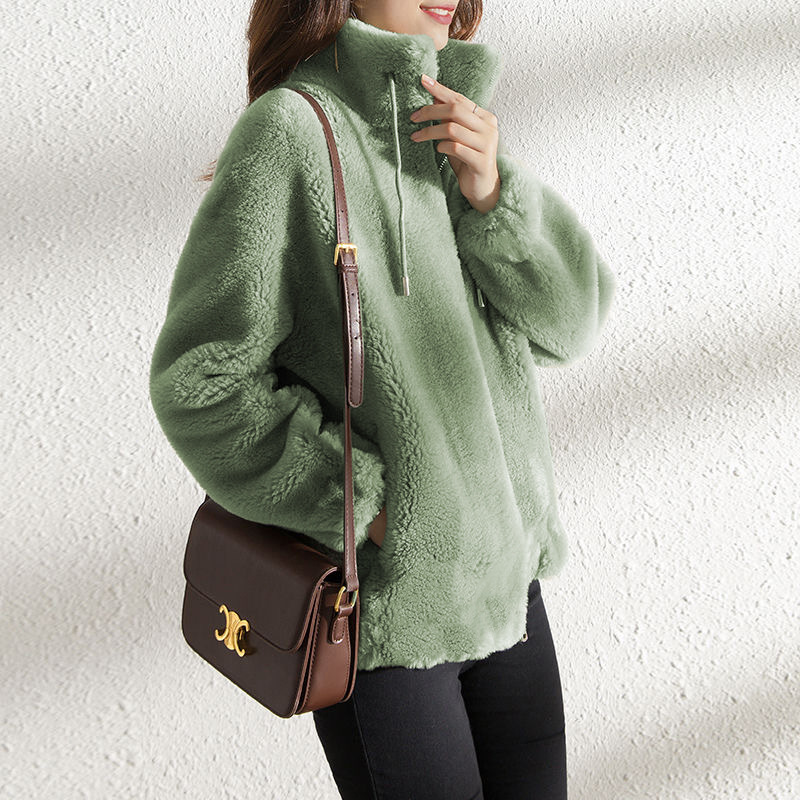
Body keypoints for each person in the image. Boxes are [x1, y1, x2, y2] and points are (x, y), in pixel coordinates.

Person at [149, 1, 616, 797]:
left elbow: (570, 326)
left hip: (510, 597)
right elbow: (202, 383)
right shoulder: (291, 132)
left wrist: (492, 194)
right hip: (390, 619)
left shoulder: (452, 120)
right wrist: (357, 503)